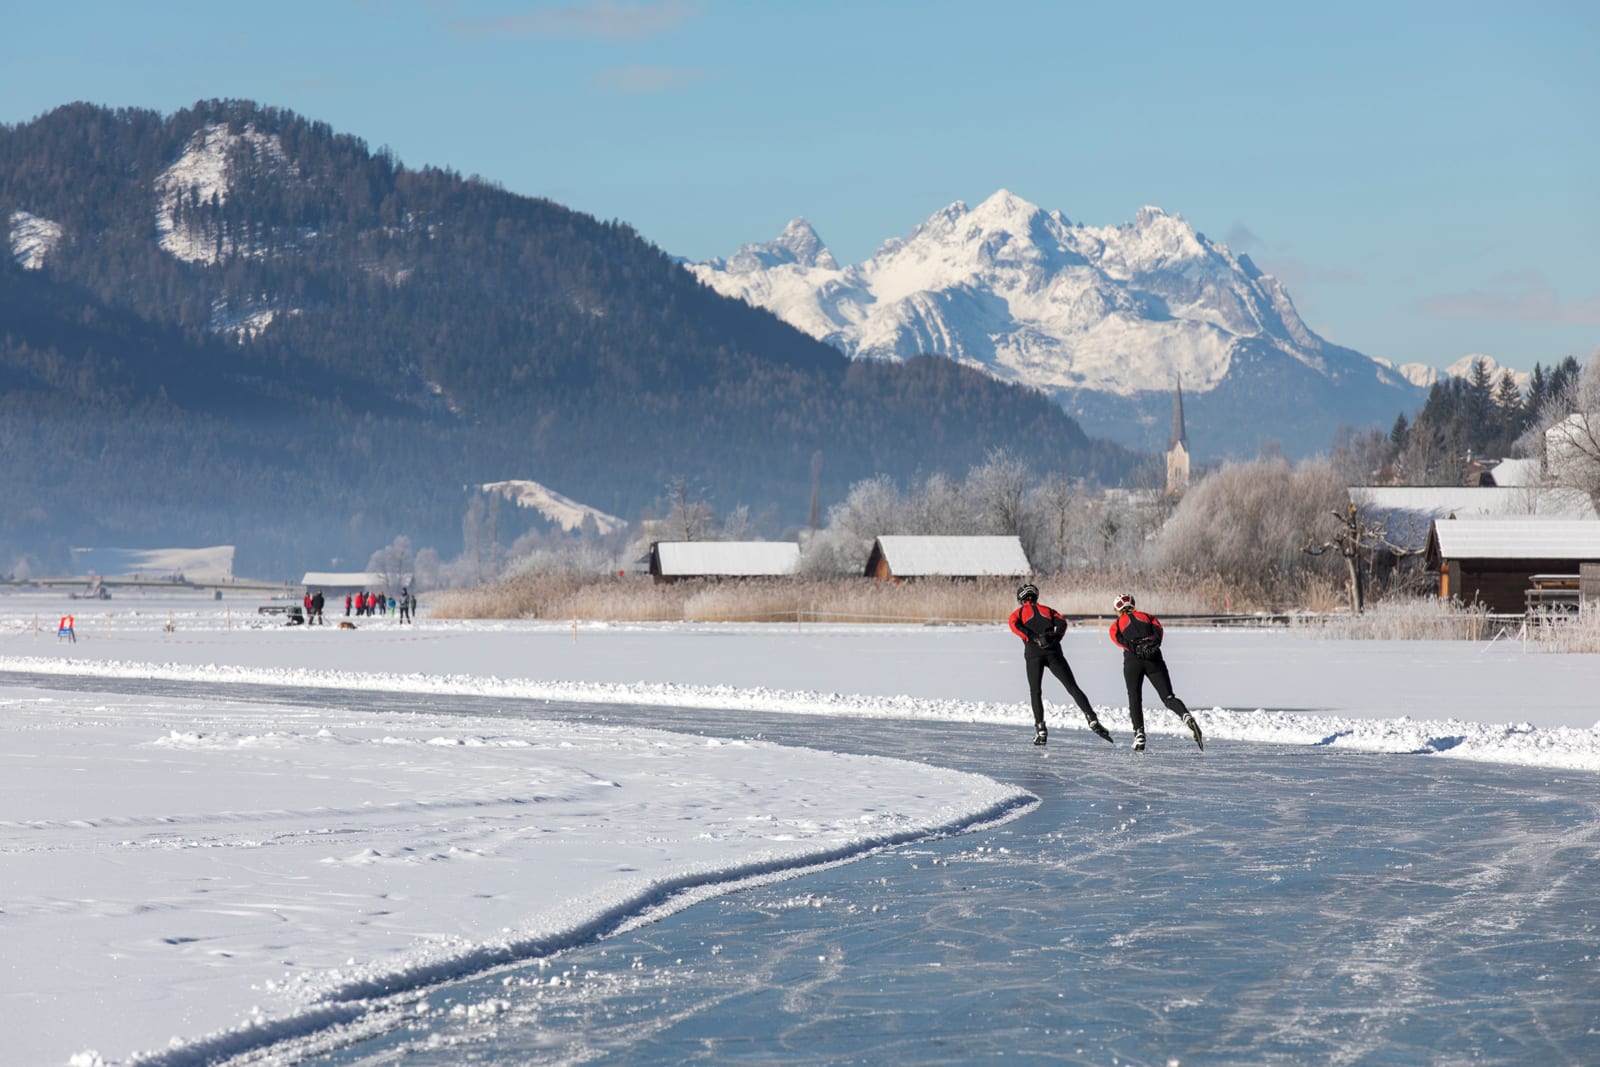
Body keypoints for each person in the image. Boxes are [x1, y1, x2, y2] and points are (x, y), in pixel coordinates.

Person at [1008, 584, 1115, 747]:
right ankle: (1091, 718)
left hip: (1033, 656)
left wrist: (1033, 637)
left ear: (1021, 599)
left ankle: (1040, 729)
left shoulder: (1018, 613)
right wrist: (1055, 637)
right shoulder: (1048, 610)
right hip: (1054, 653)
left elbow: (1014, 626)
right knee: (1072, 687)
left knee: (1035, 692)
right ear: (1035, 597)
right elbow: (1062, 623)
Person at [1108, 593, 1204, 754]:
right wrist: (1152, 645)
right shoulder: (1148, 616)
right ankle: (1186, 716)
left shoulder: (1117, 623)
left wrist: (1135, 648)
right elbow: (1159, 632)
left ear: (1117, 609)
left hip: (1133, 661)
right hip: (1154, 659)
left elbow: (1117, 639)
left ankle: (1139, 734)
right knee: (1168, 697)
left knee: (1135, 697)